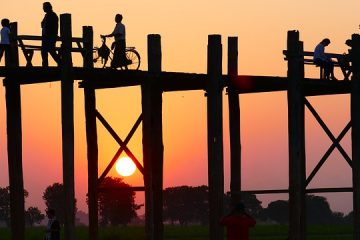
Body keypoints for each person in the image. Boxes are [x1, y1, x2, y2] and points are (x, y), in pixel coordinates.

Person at [41, 2, 61, 67]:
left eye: (44, 7)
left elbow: (53, 27)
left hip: (50, 37)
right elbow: (42, 24)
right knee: (44, 52)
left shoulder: (53, 15)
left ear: (48, 7)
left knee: (51, 50)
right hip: (45, 37)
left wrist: (54, 35)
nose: (43, 8)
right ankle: (45, 66)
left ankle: (61, 63)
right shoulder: (46, 15)